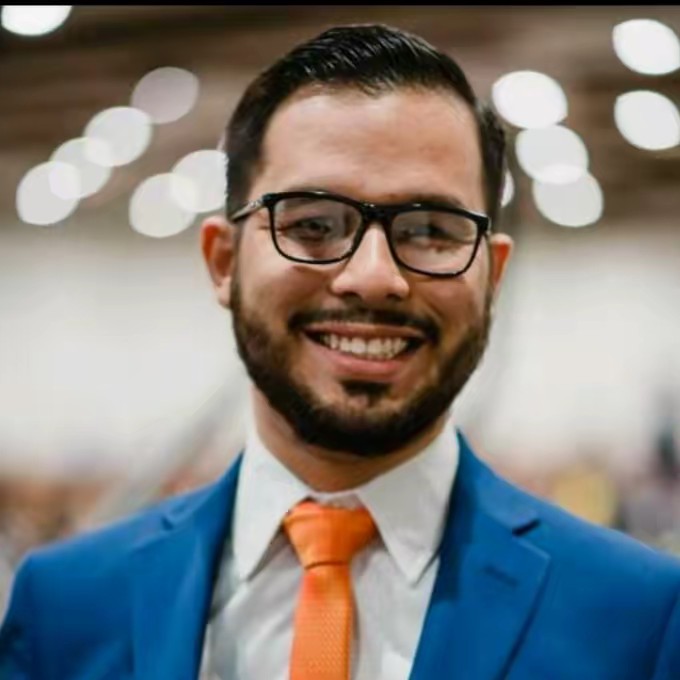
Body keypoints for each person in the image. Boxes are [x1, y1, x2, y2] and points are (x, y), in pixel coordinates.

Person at [1, 23, 679, 680]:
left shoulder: (635, 618)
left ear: (493, 276)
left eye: (431, 230)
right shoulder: (67, 606)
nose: (373, 277)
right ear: (223, 262)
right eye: (313, 225)